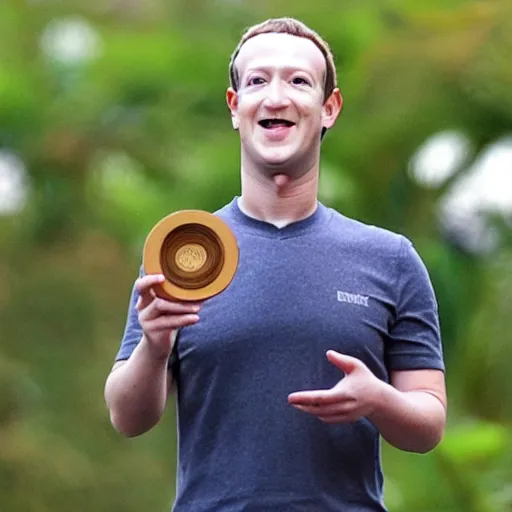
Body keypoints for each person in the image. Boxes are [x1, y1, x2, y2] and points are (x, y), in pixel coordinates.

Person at [105, 17, 446, 512]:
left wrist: (378, 399)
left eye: (299, 81)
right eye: (258, 80)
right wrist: (155, 349)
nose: (276, 96)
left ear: (329, 108)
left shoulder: (390, 258)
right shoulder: (185, 251)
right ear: (234, 105)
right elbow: (127, 417)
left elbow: (429, 423)